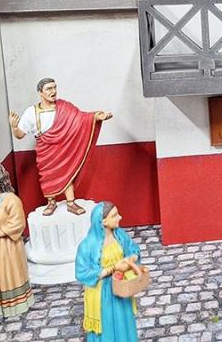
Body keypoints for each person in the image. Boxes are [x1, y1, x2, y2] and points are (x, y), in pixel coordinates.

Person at [9, 78, 113, 216]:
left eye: (54, 87)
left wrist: (97, 116)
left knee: (66, 173)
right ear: (40, 92)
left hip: (63, 149)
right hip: (45, 150)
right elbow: (20, 135)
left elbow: (81, 118)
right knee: (47, 176)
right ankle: (51, 203)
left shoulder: (64, 107)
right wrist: (14, 127)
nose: (53, 91)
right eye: (49, 89)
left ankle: (71, 203)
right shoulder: (31, 112)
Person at [75, 201, 141, 342]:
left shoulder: (120, 235)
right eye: (115, 215)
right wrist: (113, 268)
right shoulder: (87, 246)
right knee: (107, 325)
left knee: (123, 321)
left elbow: (133, 249)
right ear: (104, 221)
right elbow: (82, 273)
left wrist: (131, 259)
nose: (120, 217)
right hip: (102, 294)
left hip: (121, 287)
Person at [0, 164, 34, 317]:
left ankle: (14, 305)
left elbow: (17, 224)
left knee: (9, 273)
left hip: (8, 246)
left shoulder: (12, 200)